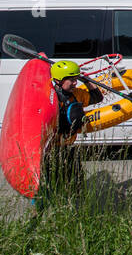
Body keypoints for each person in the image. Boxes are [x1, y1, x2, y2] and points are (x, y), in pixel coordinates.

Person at [43, 59, 103, 193]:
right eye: (71, 80)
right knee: (50, 185)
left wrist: (87, 81)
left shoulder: (77, 94)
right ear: (58, 81)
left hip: (68, 147)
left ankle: (76, 207)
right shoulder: (49, 95)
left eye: (76, 79)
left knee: (77, 185)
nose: (75, 83)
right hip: (50, 149)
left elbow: (97, 98)